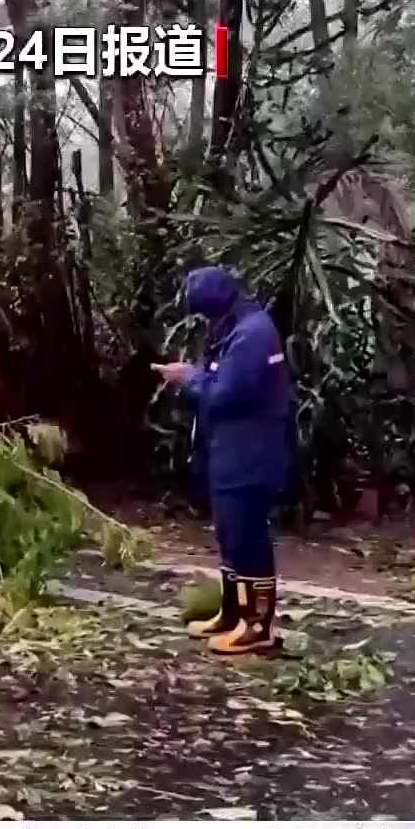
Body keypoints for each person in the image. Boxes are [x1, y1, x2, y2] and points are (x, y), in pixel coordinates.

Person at [153, 265, 293, 656]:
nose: (204, 322)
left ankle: (257, 626)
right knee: (231, 537)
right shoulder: (232, 329)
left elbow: (228, 394)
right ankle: (233, 614)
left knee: (248, 540)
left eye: (204, 313)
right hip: (228, 452)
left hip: (250, 454)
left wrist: (188, 378)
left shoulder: (252, 335)